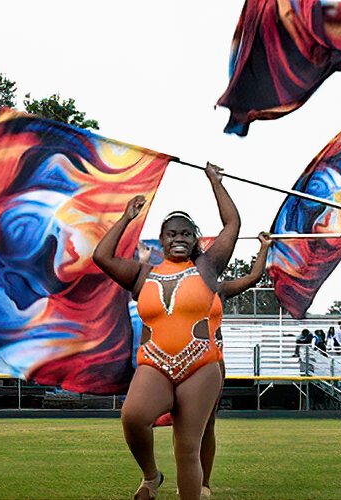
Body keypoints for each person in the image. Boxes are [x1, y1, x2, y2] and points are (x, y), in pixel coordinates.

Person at [92, 163, 272, 500]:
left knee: (187, 447)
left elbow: (232, 224)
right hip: (155, 363)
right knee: (133, 417)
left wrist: (215, 181)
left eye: (186, 233)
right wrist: (126, 217)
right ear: (160, 240)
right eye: (172, 233)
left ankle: (198, 488)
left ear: (195, 241)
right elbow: (101, 256)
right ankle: (150, 475)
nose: (179, 238)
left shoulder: (206, 269)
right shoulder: (142, 274)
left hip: (201, 366)